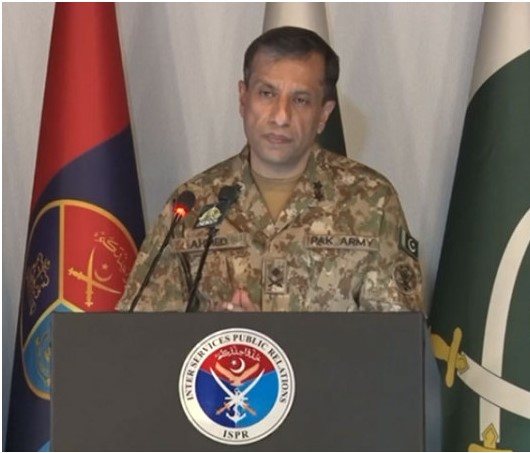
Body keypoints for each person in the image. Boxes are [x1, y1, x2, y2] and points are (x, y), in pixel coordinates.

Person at [116, 26, 422, 313]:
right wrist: (220, 338)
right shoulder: (192, 203)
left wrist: (271, 340)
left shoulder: (372, 200)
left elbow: (396, 341)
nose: (280, 116)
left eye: (300, 100)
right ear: (243, 98)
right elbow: (142, 334)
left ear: (323, 114)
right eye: (267, 93)